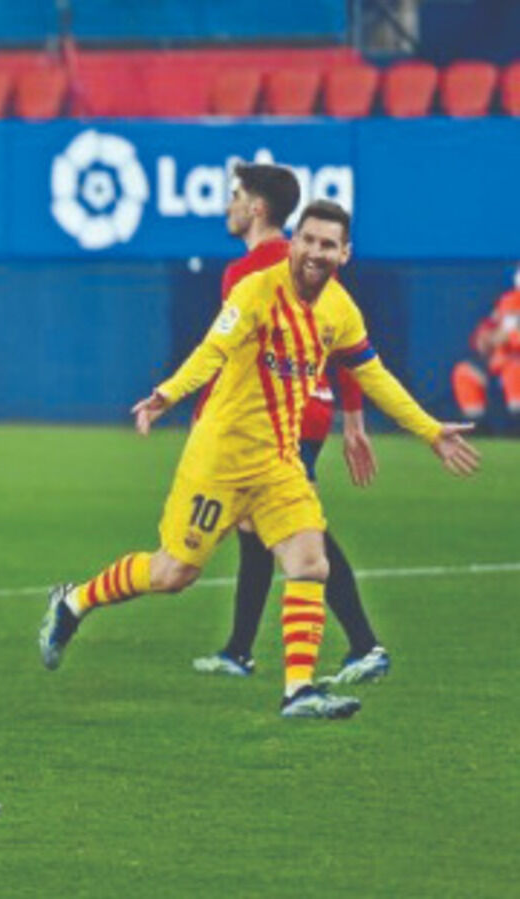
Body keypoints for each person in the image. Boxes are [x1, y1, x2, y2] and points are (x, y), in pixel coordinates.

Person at [38, 200, 480, 720]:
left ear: (345, 252)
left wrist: (429, 430)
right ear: (294, 243)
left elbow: (373, 374)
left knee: (310, 561)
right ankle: (74, 602)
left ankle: (299, 691)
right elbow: (212, 350)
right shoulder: (256, 291)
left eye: (328, 244)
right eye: (309, 240)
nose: (316, 252)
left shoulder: (340, 310)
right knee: (172, 573)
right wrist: (168, 394)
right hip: (219, 460)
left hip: (278, 462)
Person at [191, 164, 390, 685]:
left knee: (301, 529)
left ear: (256, 207)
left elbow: (230, 361)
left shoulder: (248, 273)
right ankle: (238, 650)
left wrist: (206, 424)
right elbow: (344, 343)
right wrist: (353, 420)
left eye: (236, 196)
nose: (228, 205)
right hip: (313, 411)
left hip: (282, 416)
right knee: (256, 530)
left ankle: (366, 644)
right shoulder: (306, 260)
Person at [451, 273, 520, 433]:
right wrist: (491, 338)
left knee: (515, 369)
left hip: (513, 364)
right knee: (465, 372)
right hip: (498, 363)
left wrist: (509, 335)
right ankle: (475, 426)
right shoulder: (509, 302)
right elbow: (484, 338)